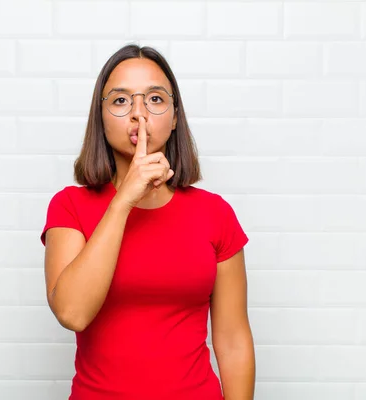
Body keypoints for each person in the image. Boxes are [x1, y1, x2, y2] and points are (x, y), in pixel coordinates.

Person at [41, 44, 255, 400]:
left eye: (155, 100)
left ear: (174, 118)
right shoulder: (70, 207)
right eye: (121, 101)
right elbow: (72, 312)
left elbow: (233, 341)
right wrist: (124, 199)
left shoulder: (214, 214)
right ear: (101, 118)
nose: (139, 114)